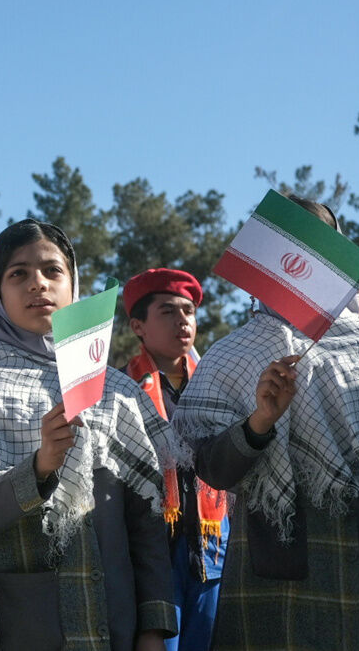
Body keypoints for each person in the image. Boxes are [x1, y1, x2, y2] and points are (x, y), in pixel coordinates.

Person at [0, 218, 177, 651]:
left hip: (116, 622)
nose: (37, 283)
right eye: (18, 273)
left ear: (73, 284)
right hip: (26, 626)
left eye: (52, 271)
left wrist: (154, 628)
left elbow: (147, 523)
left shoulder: (115, 390)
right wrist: (40, 466)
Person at [171, 197, 359, 651]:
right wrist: (259, 422)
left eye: (316, 246)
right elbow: (211, 468)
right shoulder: (232, 354)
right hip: (278, 569)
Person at [123, 268, 229, 651]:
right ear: (138, 326)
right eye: (167, 311)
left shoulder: (217, 385)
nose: (183, 320)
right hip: (153, 551)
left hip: (212, 547)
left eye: (189, 311)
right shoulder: (122, 389)